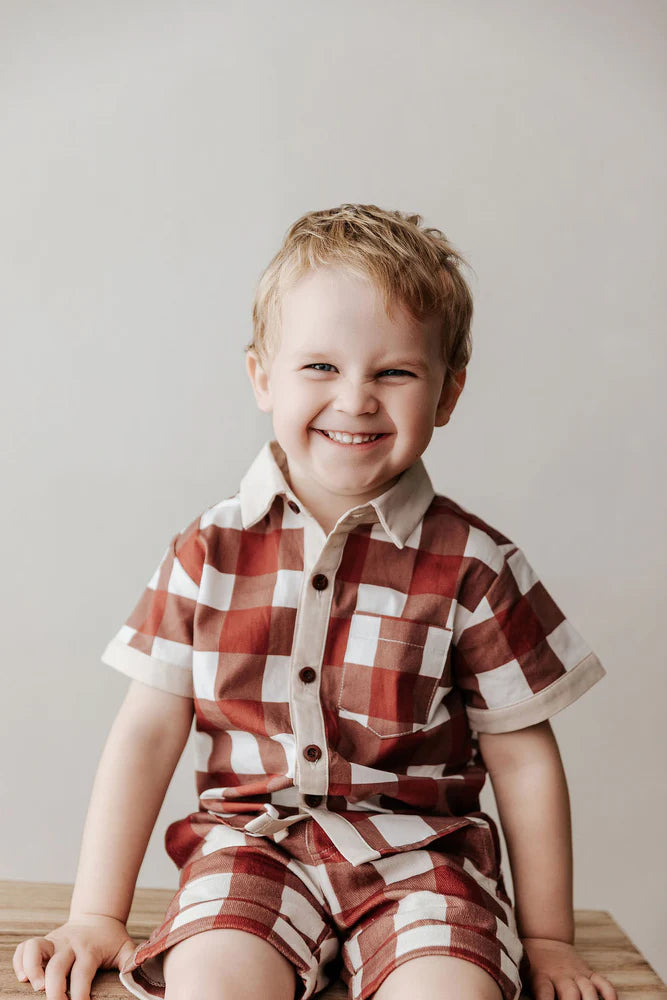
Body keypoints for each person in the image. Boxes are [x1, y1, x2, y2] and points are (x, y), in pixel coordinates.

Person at [13, 204, 618, 1000]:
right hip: (251, 850)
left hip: (425, 859)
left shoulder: (474, 565)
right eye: (321, 366)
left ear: (447, 394)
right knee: (211, 978)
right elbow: (146, 734)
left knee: (449, 991)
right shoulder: (209, 550)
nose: (356, 398)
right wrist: (96, 914)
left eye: (394, 373)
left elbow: (523, 758)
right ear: (263, 378)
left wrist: (546, 938)